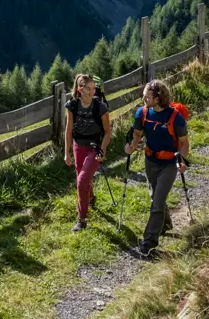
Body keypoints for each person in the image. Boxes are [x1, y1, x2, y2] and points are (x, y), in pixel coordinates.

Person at [124, 79, 188, 256]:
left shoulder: (176, 118)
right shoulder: (143, 113)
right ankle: (165, 224)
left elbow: (184, 143)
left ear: (158, 98)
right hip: (150, 160)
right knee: (155, 196)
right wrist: (131, 146)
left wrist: (182, 160)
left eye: (147, 97)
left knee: (158, 201)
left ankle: (149, 242)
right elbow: (137, 134)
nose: (143, 99)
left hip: (169, 163)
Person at [64, 73, 111, 232]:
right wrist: (67, 152)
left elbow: (107, 132)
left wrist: (102, 150)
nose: (92, 91)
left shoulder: (100, 107)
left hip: (95, 147)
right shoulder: (72, 106)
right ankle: (90, 197)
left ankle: (82, 220)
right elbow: (68, 129)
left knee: (81, 181)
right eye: (88, 88)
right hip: (78, 146)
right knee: (82, 177)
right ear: (79, 89)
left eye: (93, 88)